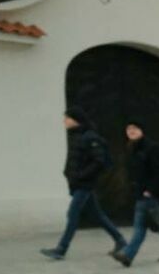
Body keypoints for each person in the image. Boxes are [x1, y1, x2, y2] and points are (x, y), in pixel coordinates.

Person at [40, 107, 127, 260]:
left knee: (72, 214)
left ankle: (61, 249)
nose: (64, 121)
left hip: (85, 184)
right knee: (98, 216)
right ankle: (120, 240)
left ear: (75, 120)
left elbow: (98, 161)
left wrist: (82, 175)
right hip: (79, 183)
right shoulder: (76, 136)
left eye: (67, 118)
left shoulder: (89, 137)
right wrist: (69, 173)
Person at [112, 121, 159, 267]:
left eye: (135, 128)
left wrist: (150, 191)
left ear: (142, 130)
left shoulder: (152, 148)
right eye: (128, 128)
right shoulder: (131, 148)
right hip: (140, 193)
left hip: (150, 195)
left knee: (140, 227)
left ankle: (127, 254)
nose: (131, 131)